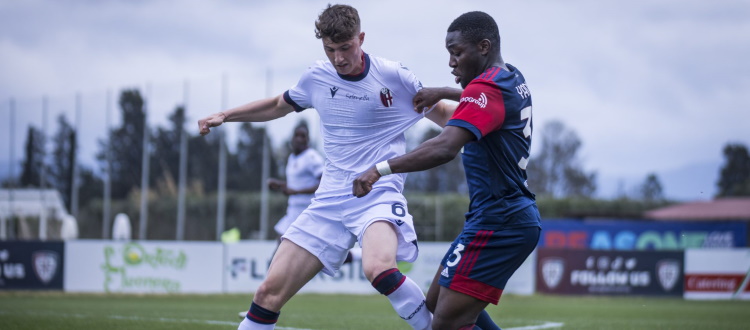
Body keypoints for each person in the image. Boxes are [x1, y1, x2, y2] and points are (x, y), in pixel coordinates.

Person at [198, 4, 442, 330]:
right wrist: (226, 115)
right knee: (268, 293)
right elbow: (276, 106)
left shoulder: (393, 76)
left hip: (377, 191)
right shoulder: (316, 77)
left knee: (378, 268)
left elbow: (447, 115)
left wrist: (489, 125)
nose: (338, 58)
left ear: (361, 38)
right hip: (329, 199)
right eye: (330, 49)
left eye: (345, 48)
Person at [353, 11, 541, 330]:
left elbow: (444, 147)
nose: (452, 62)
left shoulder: (487, 92)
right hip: (496, 217)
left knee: (446, 324)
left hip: (501, 221)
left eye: (457, 52)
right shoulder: (511, 76)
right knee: (436, 304)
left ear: (483, 46)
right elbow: (479, 94)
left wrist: (379, 169)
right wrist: (442, 90)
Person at [267, 121, 323, 239]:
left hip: (307, 211)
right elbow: (296, 184)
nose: (299, 139)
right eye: (296, 135)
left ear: (308, 139)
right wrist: (280, 184)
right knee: (281, 240)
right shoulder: (292, 158)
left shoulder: (312, 157)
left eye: (302, 136)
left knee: (283, 242)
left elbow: (324, 184)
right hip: (293, 209)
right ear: (292, 138)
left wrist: (296, 192)